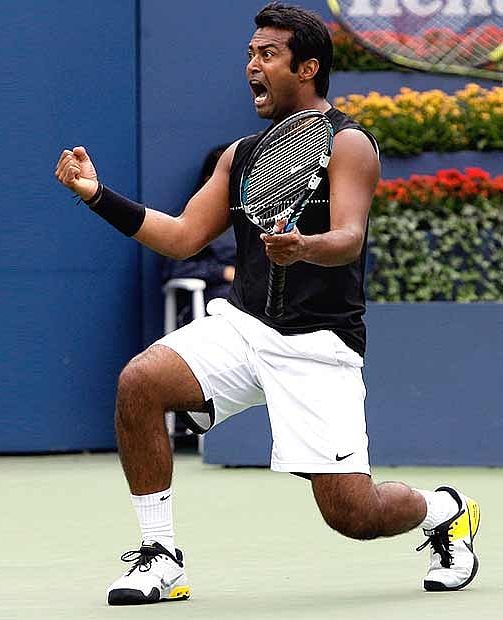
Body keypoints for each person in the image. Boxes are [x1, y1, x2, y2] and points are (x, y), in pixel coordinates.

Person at [55, 2, 480, 606]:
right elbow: (182, 237)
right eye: (250, 54)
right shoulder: (241, 155)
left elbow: (349, 238)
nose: (252, 65)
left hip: (318, 345)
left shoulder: (349, 144)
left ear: (307, 68)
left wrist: (304, 246)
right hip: (244, 325)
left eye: (268, 54)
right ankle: (160, 556)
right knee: (140, 383)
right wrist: (99, 195)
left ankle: (445, 512)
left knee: (353, 514)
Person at [162, 144, 236, 328]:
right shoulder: (187, 221)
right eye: (231, 177)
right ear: (208, 180)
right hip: (214, 300)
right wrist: (223, 272)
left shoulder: (255, 219)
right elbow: (174, 268)